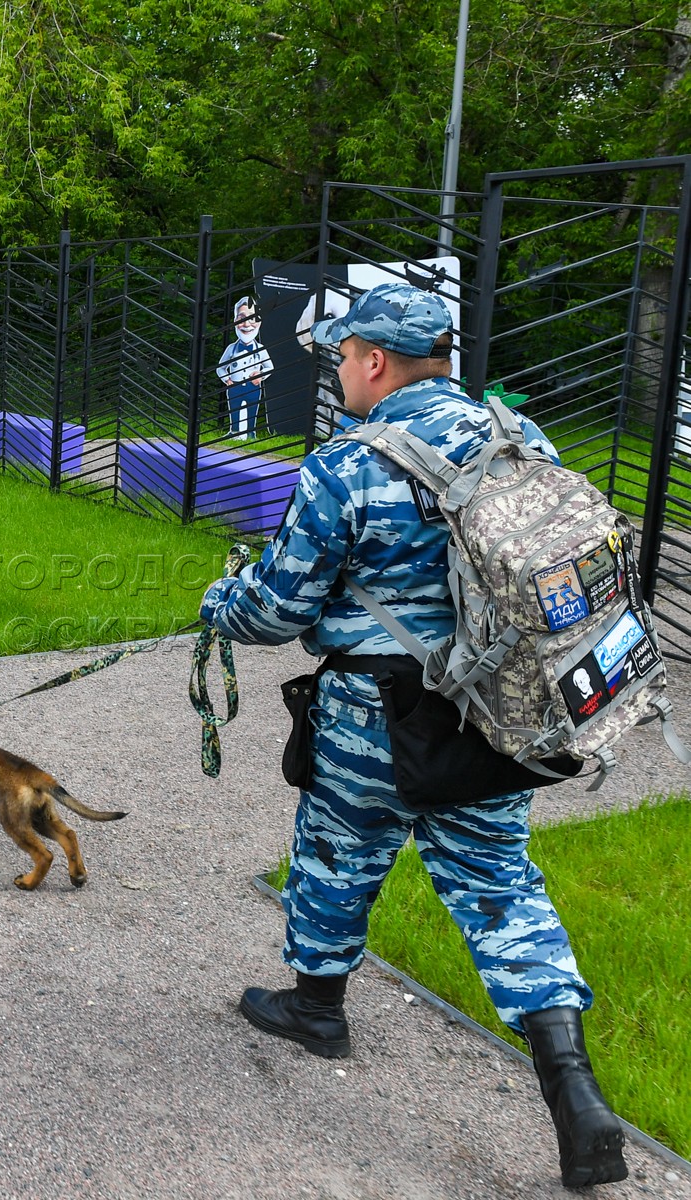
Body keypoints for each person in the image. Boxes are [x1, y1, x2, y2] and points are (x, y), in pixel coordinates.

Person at [200, 282, 629, 1190]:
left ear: (374, 363)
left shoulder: (345, 466)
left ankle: (317, 1010)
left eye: (344, 362)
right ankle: (575, 1090)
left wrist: (217, 605)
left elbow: (278, 610)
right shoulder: (522, 440)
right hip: (503, 713)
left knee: (335, 850)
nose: (341, 378)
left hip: (374, 714)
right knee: (502, 886)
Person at [215, 295, 272, 439]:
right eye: (242, 319)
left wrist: (260, 375)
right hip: (235, 386)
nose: (247, 324)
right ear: (235, 322)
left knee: (252, 410)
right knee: (234, 409)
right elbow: (220, 367)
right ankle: (234, 432)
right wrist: (227, 380)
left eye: (253, 318)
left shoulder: (261, 349)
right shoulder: (231, 349)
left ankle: (251, 434)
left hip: (253, 387)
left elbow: (270, 367)